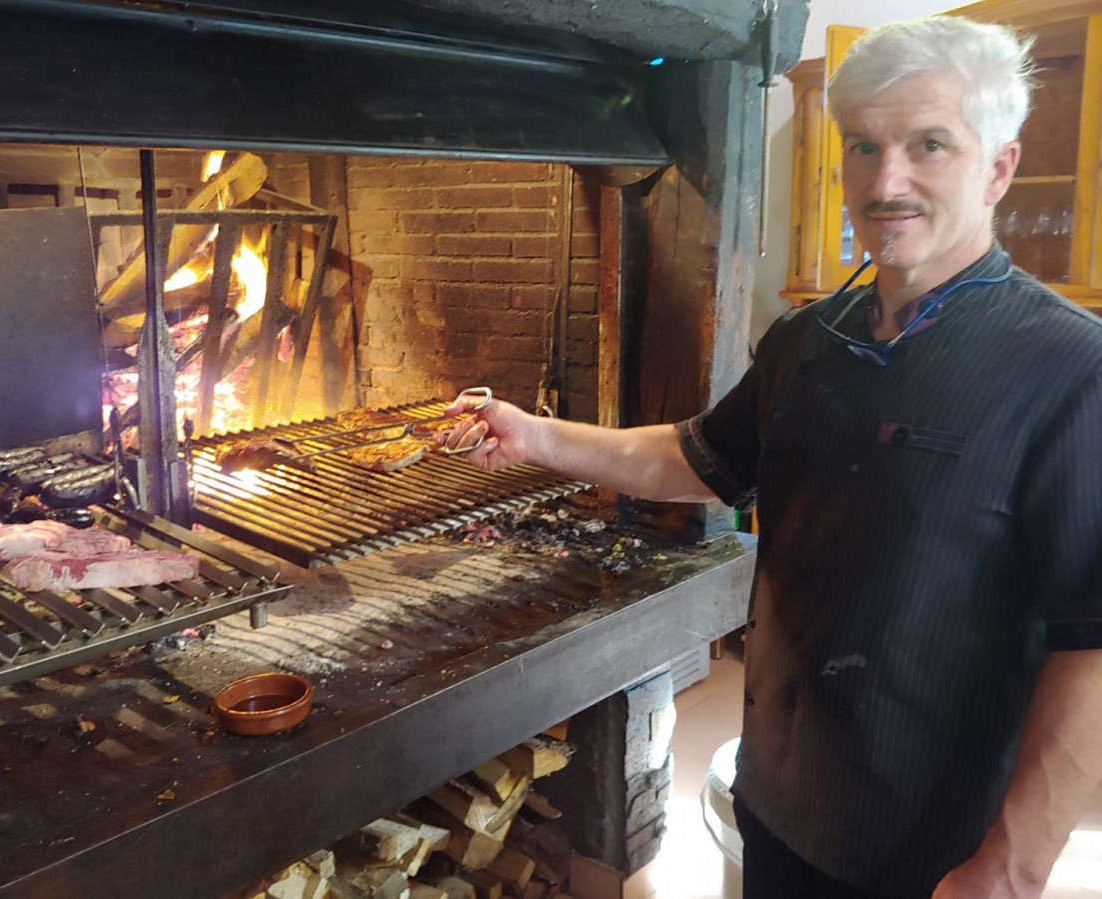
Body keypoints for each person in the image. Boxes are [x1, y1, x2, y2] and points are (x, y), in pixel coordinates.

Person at [441, 14, 1102, 899]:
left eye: (928, 145)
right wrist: (535, 436)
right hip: (781, 799)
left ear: (998, 167)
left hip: (933, 846)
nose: (886, 179)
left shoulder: (1070, 368)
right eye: (863, 146)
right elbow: (697, 458)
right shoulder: (807, 337)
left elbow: (1089, 641)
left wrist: (1013, 867)